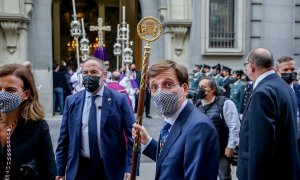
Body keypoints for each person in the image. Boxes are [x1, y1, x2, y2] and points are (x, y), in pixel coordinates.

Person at [132, 60, 219, 179]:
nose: (160, 92)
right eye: (154, 87)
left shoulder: (199, 127)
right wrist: (147, 142)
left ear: (184, 89)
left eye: (168, 84)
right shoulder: (172, 118)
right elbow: (173, 160)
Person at [55, 57, 135, 180]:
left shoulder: (119, 100)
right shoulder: (71, 101)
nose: (89, 76)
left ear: (104, 75)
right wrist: (60, 170)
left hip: (111, 169)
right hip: (80, 169)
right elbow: (64, 139)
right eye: (85, 73)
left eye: (94, 72)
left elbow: (133, 137)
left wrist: (131, 167)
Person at [238, 48, 300, 180]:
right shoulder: (283, 86)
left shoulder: (263, 92)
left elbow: (261, 146)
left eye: (246, 65)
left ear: (252, 66)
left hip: (269, 173)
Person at [0, 64, 56, 179]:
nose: (2, 94)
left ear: (25, 95)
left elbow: (48, 171)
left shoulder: (38, 126)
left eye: (10, 90)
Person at [196, 77, 240, 180]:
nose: (200, 90)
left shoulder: (225, 103)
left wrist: (230, 147)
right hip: (203, 149)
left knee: (224, 176)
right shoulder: (198, 104)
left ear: (212, 89)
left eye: (203, 87)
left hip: (221, 150)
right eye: (199, 87)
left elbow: (234, 127)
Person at [276, 56, 300, 149]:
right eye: (285, 70)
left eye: (292, 69)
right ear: (277, 71)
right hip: (281, 144)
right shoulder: (272, 91)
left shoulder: (298, 89)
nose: (290, 72)